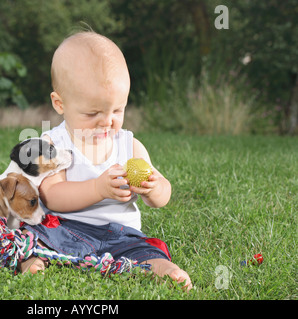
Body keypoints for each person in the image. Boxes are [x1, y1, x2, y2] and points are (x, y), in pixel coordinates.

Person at [21, 31, 192, 290]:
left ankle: (164, 268)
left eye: (117, 110)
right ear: (60, 104)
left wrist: (154, 188)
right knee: (31, 234)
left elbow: (162, 196)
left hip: (120, 235)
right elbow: (51, 195)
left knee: (144, 250)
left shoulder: (129, 145)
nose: (107, 120)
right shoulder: (53, 144)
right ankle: (32, 259)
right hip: (66, 229)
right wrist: (98, 189)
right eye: (93, 112)